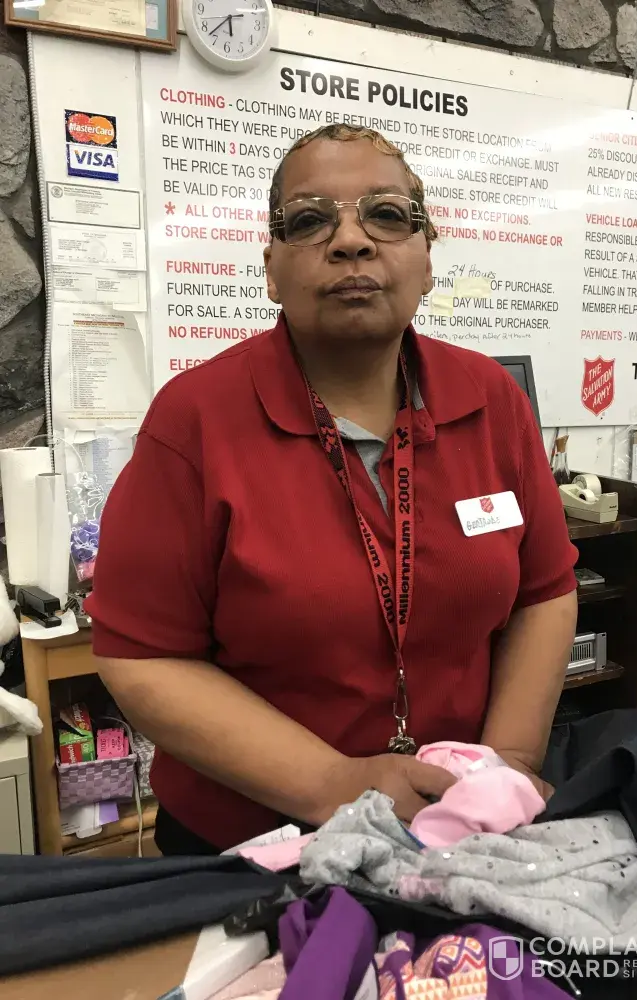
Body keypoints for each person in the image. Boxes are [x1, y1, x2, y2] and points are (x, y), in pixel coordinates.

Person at [89, 124, 578, 856]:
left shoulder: (492, 402)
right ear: (271, 269)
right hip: (256, 848)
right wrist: (334, 783)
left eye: (387, 215)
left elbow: (545, 591)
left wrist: (505, 767)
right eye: (311, 220)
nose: (351, 241)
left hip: (456, 833)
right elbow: (141, 656)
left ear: (427, 257)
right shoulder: (194, 421)